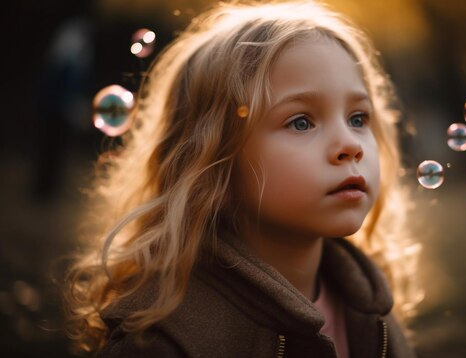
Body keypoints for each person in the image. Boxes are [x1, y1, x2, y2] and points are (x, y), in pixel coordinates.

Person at [64, 1, 420, 357]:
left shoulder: (372, 311)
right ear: (214, 161)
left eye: (358, 118)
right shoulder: (163, 342)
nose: (349, 145)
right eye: (301, 121)